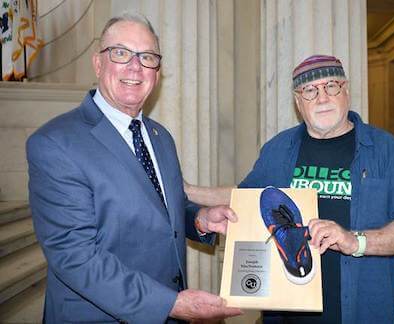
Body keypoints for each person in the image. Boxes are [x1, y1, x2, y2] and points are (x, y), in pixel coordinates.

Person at [26, 13, 242, 323]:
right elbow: (76, 257)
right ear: (98, 63)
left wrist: (199, 219)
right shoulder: (55, 143)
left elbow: (160, 205)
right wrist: (171, 305)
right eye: (121, 53)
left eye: (147, 57)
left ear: (158, 71)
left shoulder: (160, 137)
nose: (135, 67)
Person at [185, 54, 394, 323]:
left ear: (346, 91)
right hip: (288, 312)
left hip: (363, 309)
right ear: (298, 102)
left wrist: (355, 241)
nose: (322, 98)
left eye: (331, 86)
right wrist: (185, 190)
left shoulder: (388, 150)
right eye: (310, 90)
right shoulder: (279, 148)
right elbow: (245, 197)